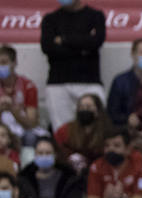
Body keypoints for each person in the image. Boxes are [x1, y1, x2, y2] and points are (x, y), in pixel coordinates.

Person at [39, 0, 104, 128]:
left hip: (89, 82)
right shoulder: (50, 19)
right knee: (62, 131)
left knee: (96, 128)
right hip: (58, 83)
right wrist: (83, 45)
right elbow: (47, 48)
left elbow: (96, 42)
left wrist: (63, 40)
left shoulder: (95, 16)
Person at [18, 135, 83, 198]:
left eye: (48, 153)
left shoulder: (69, 178)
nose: (44, 156)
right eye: (40, 153)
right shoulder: (24, 178)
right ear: (34, 155)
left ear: (55, 155)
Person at [0, 46, 39, 144]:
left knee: (31, 137)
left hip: (23, 131)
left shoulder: (28, 87)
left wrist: (12, 110)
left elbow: (31, 123)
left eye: (4, 62)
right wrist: (0, 111)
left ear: (14, 63)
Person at [54, 92, 110, 170]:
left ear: (98, 110)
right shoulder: (66, 129)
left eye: (88, 107)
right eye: (81, 107)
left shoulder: (107, 131)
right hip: (70, 171)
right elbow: (58, 149)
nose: (84, 110)